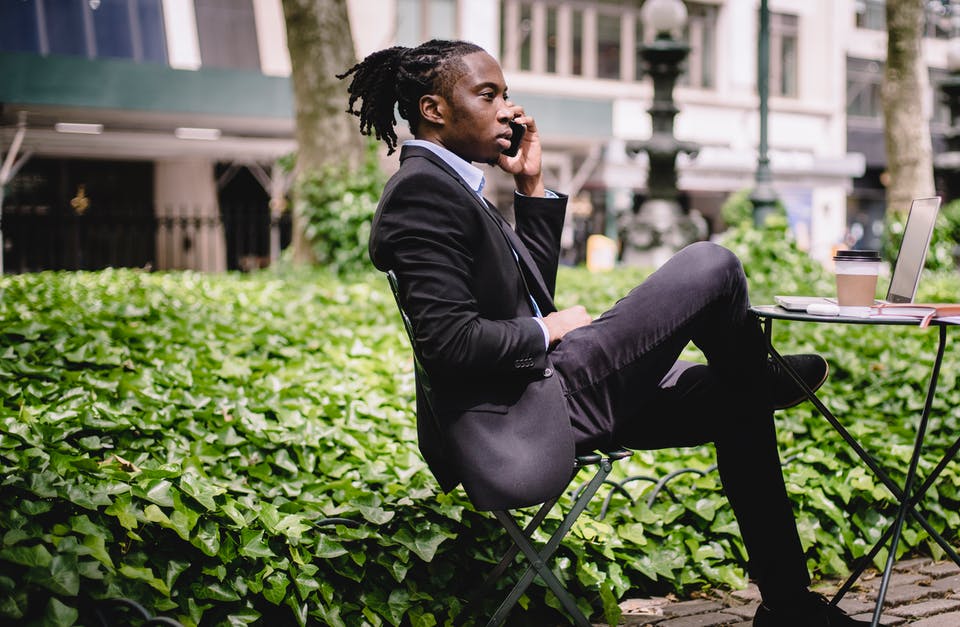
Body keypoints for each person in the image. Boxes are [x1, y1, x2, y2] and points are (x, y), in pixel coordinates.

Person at [339, 39, 868, 627]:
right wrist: (549, 330)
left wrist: (532, 189)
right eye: (487, 95)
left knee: (734, 400)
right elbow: (451, 345)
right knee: (710, 266)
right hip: (526, 410)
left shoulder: (456, 184)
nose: (508, 111)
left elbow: (527, 294)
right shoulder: (422, 191)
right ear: (434, 110)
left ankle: (788, 604)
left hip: (543, 396)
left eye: (507, 95)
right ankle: (759, 372)